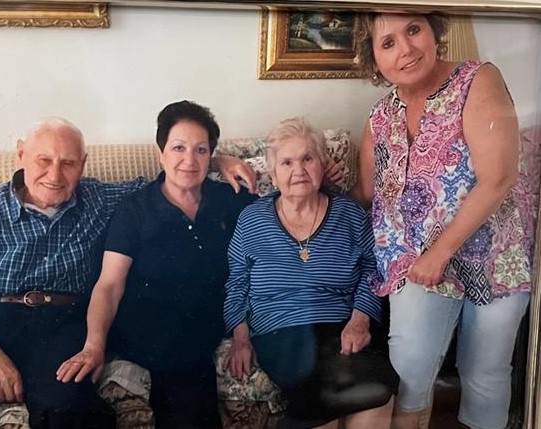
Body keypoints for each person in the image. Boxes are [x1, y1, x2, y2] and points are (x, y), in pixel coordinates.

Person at [0, 116, 256, 429]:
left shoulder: (101, 199)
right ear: (21, 154)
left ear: (82, 164)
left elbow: (174, 179)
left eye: (68, 163)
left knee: (69, 410)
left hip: (60, 324)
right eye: (43, 160)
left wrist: (216, 160)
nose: (55, 174)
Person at [352, 13, 535, 429]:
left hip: (494, 255)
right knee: (410, 365)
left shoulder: (477, 79)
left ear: (434, 31)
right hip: (414, 262)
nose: (406, 49)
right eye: (388, 43)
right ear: (374, 59)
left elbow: (499, 176)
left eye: (413, 30)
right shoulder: (379, 117)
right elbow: (366, 194)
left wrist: (441, 252)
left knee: (485, 371)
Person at [56, 101, 259, 428]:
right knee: (185, 382)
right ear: (161, 152)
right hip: (151, 324)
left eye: (201, 150)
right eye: (178, 148)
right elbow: (109, 285)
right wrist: (94, 346)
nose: (189, 160)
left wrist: (327, 176)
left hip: (207, 318)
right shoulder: (136, 209)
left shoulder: (229, 198)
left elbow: (289, 204)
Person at [223, 117, 398, 429]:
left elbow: (373, 268)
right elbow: (236, 282)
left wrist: (359, 320)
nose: (299, 170)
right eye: (287, 162)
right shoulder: (252, 220)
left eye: (308, 158)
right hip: (279, 329)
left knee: (379, 390)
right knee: (317, 389)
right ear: (273, 174)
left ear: (323, 164)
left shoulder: (350, 215)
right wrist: (240, 336)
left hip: (340, 326)